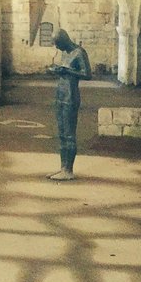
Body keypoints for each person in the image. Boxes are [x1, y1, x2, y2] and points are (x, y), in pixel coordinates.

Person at [46, 28, 91, 180]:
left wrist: (67, 71)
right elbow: (66, 70)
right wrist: (58, 71)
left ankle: (68, 170)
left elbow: (87, 74)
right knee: (61, 134)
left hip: (71, 96)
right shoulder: (65, 52)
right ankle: (62, 168)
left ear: (64, 40)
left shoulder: (79, 52)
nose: (57, 48)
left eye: (58, 44)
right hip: (61, 93)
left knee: (69, 134)